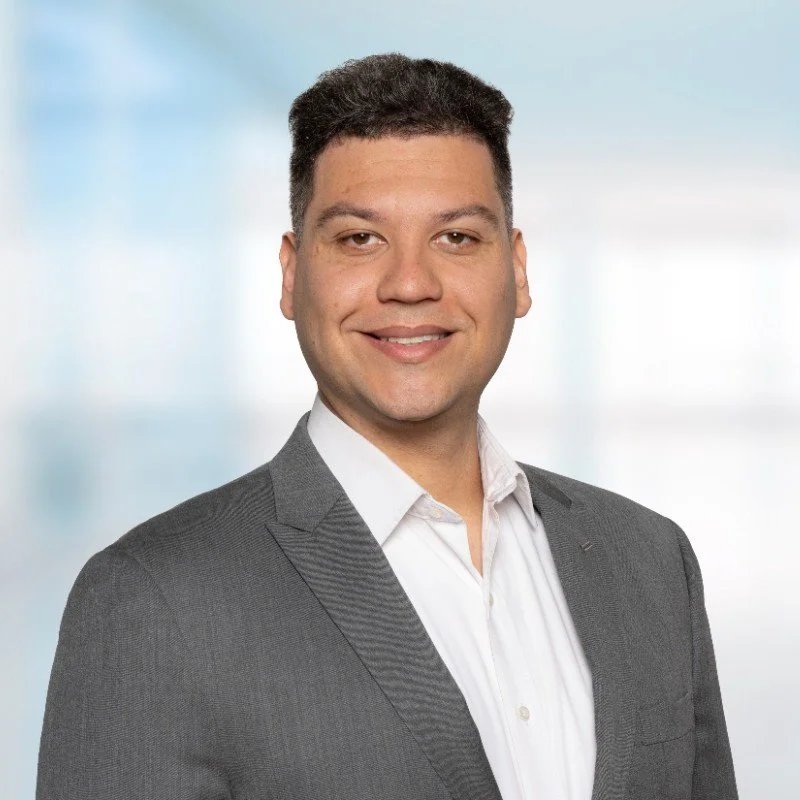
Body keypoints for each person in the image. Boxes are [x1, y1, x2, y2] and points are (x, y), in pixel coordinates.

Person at [36, 54, 738, 800]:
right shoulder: (154, 600)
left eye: (457, 238)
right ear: (290, 273)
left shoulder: (650, 560)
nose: (410, 284)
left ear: (519, 270)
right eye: (360, 239)